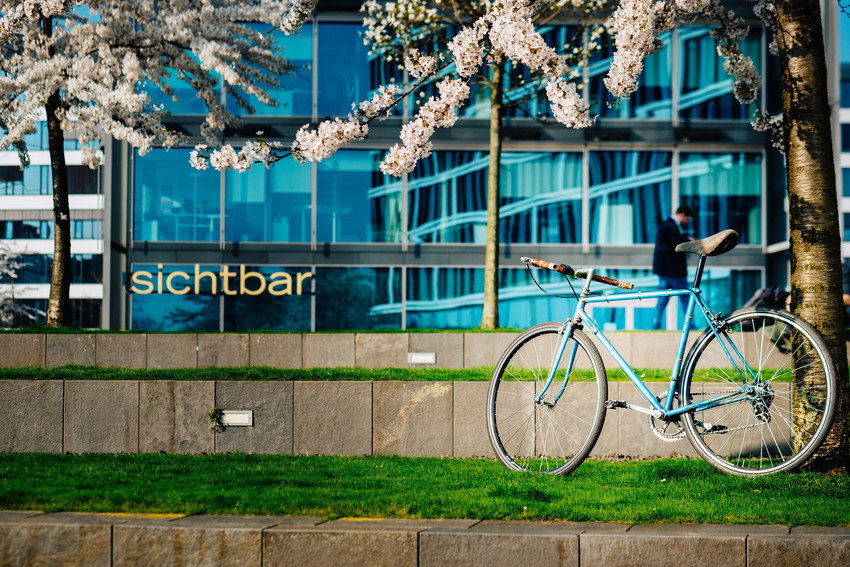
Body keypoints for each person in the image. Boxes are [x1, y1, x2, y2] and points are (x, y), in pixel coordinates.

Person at [652, 205, 694, 329]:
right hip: (674, 272)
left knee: (662, 300)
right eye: (687, 219)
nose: (686, 222)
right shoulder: (670, 226)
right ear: (683, 215)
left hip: (666, 271)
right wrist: (687, 242)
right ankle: (690, 326)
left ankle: (656, 325)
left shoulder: (666, 225)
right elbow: (675, 245)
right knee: (685, 298)